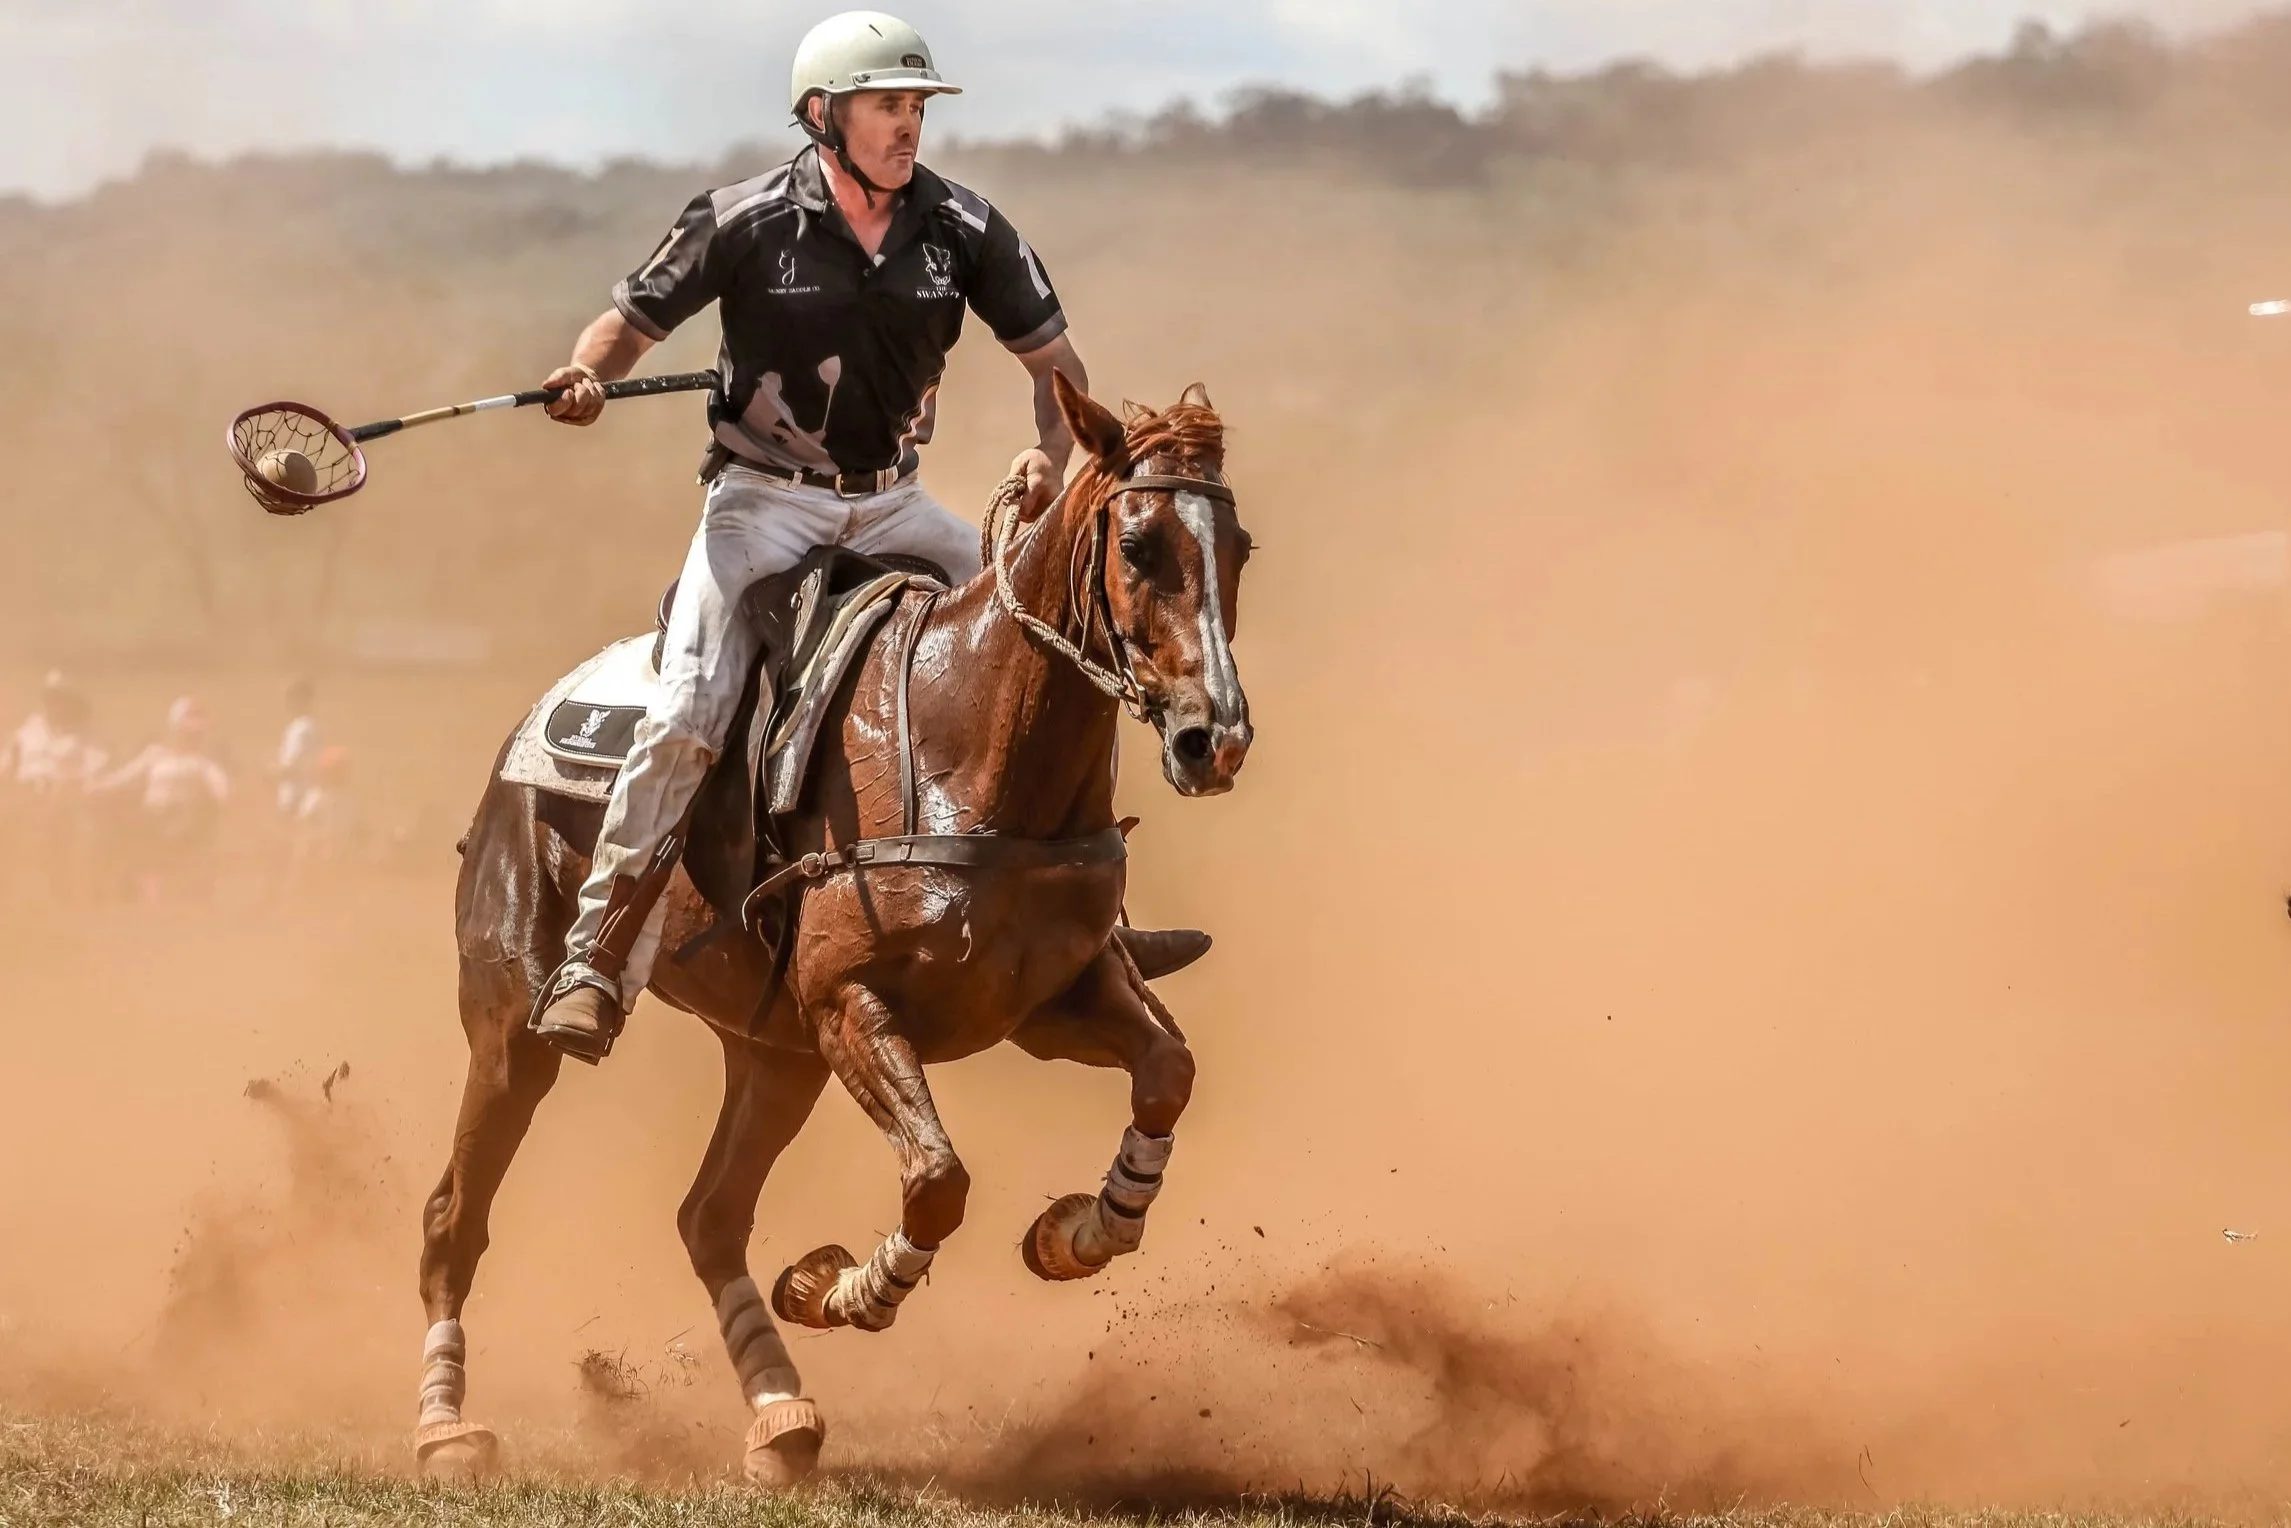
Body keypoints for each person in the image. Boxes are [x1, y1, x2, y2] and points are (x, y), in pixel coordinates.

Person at [529, 11, 1203, 1061]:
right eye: (888, 105)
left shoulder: (963, 227)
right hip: (761, 502)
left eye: (916, 106)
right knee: (689, 705)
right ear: (821, 115)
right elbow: (631, 321)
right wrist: (586, 375)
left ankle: (1097, 927)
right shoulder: (741, 217)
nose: (908, 126)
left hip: (894, 501)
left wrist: (1050, 455)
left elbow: (1055, 372)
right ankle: (596, 947)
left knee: (1046, 643)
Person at [96, 696, 231, 902]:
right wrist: (94, 786)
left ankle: (153, 896)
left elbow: (223, 789)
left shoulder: (202, 762)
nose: (191, 737)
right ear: (174, 729)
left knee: (152, 836)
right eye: (186, 732)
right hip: (149, 815)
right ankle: (129, 893)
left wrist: (221, 803)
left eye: (195, 733)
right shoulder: (155, 754)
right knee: (125, 826)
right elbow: (124, 778)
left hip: (183, 819)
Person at [1, 671, 107, 902]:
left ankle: (59, 891)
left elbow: (96, 772)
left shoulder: (83, 736)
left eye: (61, 699)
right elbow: (5, 765)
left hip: (61, 797)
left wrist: (72, 786)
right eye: (51, 698)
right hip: (24, 795)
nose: (55, 704)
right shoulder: (27, 731)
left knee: (64, 825)